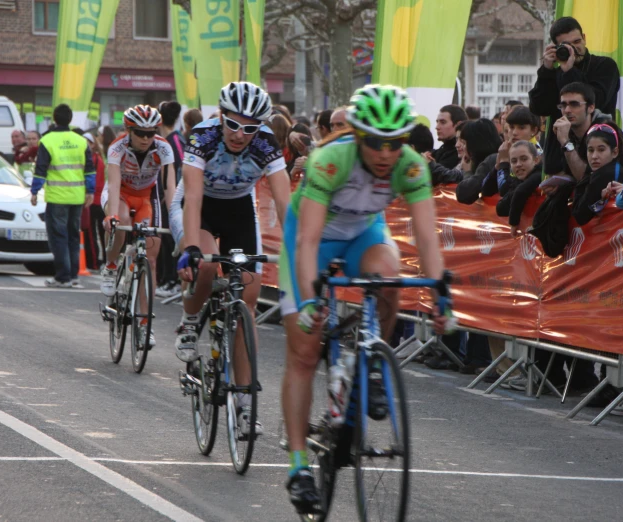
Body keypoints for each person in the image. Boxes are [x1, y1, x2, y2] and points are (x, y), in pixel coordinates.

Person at [277, 85, 452, 514]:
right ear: (357, 135)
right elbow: (308, 239)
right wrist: (309, 299)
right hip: (313, 238)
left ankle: (374, 359)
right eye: (375, 142)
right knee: (303, 350)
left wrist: (442, 295)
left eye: (396, 143)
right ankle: (299, 465)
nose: (385, 153)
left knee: (389, 276)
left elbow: (427, 236)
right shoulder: (330, 159)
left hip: (363, 233)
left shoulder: (411, 167)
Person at [174, 82, 291, 437]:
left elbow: (286, 202)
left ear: (261, 128)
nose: (240, 135)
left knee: (248, 303)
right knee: (207, 265)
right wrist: (192, 250)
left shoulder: (267, 144)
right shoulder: (203, 136)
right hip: (201, 205)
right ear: (221, 117)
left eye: (250, 128)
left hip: (239, 207)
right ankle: (191, 319)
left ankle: (244, 404)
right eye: (234, 124)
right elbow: (192, 199)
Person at [100, 105, 177, 348]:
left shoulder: (164, 147)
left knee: (151, 257)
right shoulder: (117, 147)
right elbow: (112, 184)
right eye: (140, 133)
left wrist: (176, 221)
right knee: (120, 221)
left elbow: (170, 187)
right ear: (129, 131)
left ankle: (145, 326)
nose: (146, 138)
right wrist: (111, 215)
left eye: (151, 132)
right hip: (120, 194)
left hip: (146, 197)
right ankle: (112, 265)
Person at [528, 16, 620, 177]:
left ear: (584, 38)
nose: (575, 49)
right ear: (556, 47)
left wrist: (570, 72)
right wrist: (546, 70)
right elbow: (539, 107)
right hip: (557, 161)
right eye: (567, 46)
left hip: (594, 158)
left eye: (577, 42)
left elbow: (596, 100)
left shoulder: (604, 66)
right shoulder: (555, 74)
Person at [30, 104, 96, 288]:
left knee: (58, 237)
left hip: (57, 197)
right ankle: (73, 276)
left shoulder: (48, 140)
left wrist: (34, 191)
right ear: (70, 118)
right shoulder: (81, 141)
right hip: (77, 196)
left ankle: (62, 277)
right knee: (73, 236)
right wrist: (90, 191)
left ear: (54, 118)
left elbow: (40, 169)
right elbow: (90, 169)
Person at [548, 82, 611, 183]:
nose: (567, 110)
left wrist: (565, 143)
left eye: (574, 104)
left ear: (591, 107)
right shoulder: (565, 130)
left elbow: (586, 178)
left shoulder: (604, 131)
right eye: (563, 105)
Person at [155, 101, 187, 298]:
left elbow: (183, 171)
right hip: (163, 197)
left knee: (172, 239)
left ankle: (173, 281)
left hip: (174, 199)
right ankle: (166, 279)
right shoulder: (164, 141)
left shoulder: (176, 141)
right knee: (165, 240)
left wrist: (175, 199)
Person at [572, 121, 623, 225]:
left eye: (601, 150)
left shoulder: (603, 175)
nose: (594, 156)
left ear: (615, 152)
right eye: (590, 150)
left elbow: (579, 215)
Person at [496, 141, 543, 236]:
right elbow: (501, 208)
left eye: (524, 159)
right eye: (513, 161)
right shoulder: (517, 181)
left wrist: (514, 223)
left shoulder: (539, 175)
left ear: (536, 160)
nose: (518, 164)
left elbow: (521, 191)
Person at [454, 118, 503, 204]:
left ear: (475, 144)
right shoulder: (497, 156)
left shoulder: (491, 161)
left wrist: (468, 172)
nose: (463, 147)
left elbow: (464, 194)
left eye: (465, 143)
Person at [82, 132, 106, 270]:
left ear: (92, 144)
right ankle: (96, 260)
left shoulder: (94, 160)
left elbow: (95, 181)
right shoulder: (95, 158)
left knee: (92, 233)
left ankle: (94, 262)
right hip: (96, 199)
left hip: (94, 200)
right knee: (97, 233)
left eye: (87, 142)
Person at [432, 105, 468, 169]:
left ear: (458, 125)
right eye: (437, 122)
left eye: (443, 122)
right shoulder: (443, 149)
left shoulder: (460, 151)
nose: (437, 127)